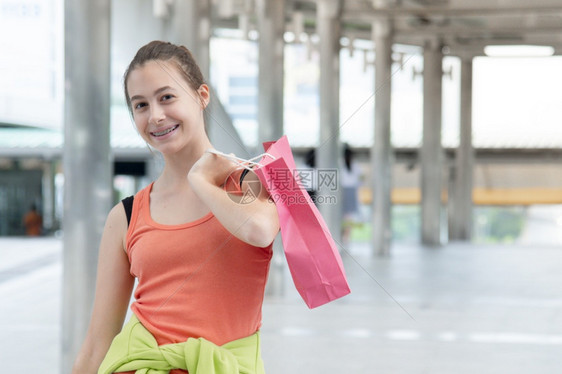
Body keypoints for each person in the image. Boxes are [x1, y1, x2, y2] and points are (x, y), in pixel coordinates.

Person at [72, 41, 279, 374]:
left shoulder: (251, 183)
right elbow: (98, 342)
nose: (155, 115)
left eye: (166, 97)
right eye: (140, 105)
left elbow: (260, 231)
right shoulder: (125, 215)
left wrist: (200, 179)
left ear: (202, 96)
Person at [341, 144, 361, 245]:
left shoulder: (339, 164)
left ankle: (342, 237)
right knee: (348, 217)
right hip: (351, 191)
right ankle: (346, 238)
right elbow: (360, 180)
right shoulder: (355, 166)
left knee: (342, 216)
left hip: (341, 191)